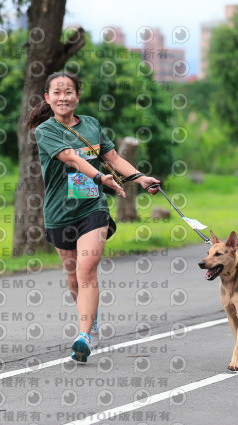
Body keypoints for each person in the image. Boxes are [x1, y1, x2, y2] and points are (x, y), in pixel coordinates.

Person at [27, 71, 160, 363]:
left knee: (87, 271)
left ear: (78, 95)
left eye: (69, 92)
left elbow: (113, 158)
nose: (64, 97)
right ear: (47, 98)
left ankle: (83, 335)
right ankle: (92, 319)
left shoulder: (91, 125)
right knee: (73, 275)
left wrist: (139, 179)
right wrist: (101, 178)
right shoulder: (45, 131)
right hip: (59, 212)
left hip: (92, 208)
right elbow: (72, 158)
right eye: (57, 93)